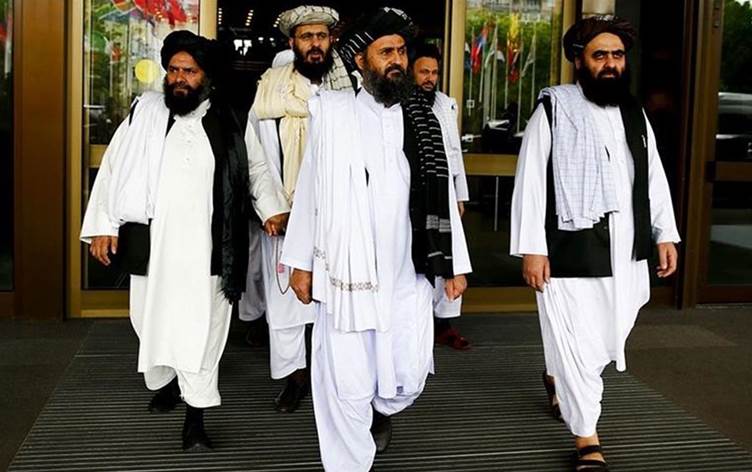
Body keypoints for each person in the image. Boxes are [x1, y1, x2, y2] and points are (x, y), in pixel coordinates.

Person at [281, 8, 471, 471]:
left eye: (402, 51)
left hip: (407, 268)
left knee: (406, 372)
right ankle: (349, 457)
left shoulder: (424, 117)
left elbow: (442, 193)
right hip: (346, 271)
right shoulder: (334, 113)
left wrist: (455, 263)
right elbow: (311, 189)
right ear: (361, 61)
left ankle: (378, 409)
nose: (397, 61)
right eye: (386, 52)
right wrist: (300, 261)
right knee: (345, 375)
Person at [80, 30, 289, 451]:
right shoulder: (145, 113)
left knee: (203, 331)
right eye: (174, 70)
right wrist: (104, 224)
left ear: (205, 76)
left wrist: (271, 209)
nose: (179, 78)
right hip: (154, 247)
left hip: (210, 250)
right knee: (149, 321)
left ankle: (196, 416)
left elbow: (257, 170)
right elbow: (115, 168)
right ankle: (170, 382)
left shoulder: (231, 118)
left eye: (189, 71)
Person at [510, 16, 680, 471]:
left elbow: (653, 178)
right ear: (579, 61)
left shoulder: (633, 113)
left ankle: (557, 374)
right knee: (578, 341)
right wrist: (532, 247)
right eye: (599, 55)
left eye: (617, 55)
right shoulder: (553, 110)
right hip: (572, 246)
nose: (610, 64)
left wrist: (665, 233)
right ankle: (587, 438)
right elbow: (530, 181)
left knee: (606, 336)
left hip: (627, 248)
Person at [249, 5, 352, 413]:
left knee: (338, 300)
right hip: (285, 215)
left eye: (321, 36)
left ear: (331, 41)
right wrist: (271, 208)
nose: (315, 44)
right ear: (293, 42)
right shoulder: (269, 88)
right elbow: (255, 156)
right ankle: (295, 378)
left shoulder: (348, 89)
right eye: (307, 37)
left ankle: (335, 378)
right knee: (287, 306)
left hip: (336, 215)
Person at [411, 41, 471, 350]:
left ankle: (445, 324)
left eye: (434, 73)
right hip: (419, 192)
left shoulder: (446, 104)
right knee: (425, 254)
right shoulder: (402, 105)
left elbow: (454, 152)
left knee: (450, 255)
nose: (429, 78)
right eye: (424, 72)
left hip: (446, 190)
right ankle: (421, 325)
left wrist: (459, 195)